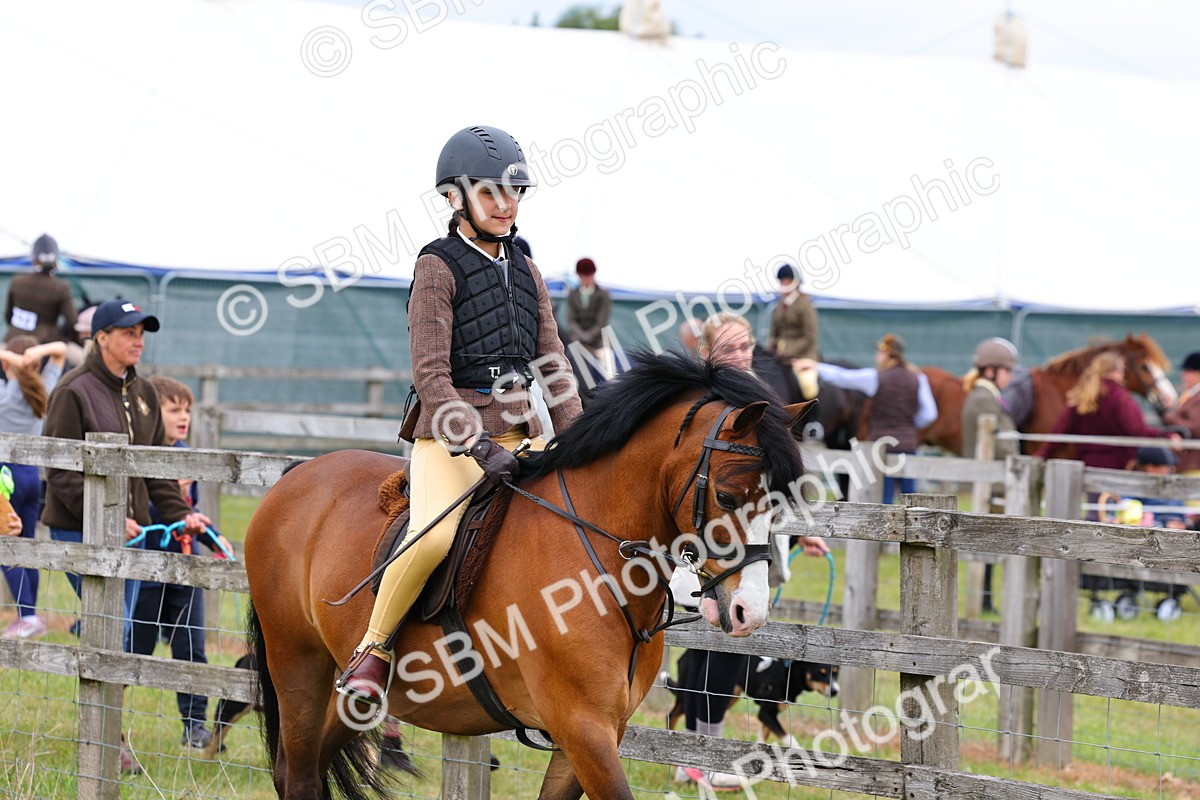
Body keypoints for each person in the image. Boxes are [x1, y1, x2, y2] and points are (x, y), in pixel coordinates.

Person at [337, 125, 583, 703]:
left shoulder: (525, 264)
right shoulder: (437, 267)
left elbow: (553, 360)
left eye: (514, 193)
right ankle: (371, 650)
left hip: (524, 435)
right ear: (455, 198)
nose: (506, 205)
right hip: (451, 442)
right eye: (491, 193)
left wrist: (579, 437)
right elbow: (431, 377)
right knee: (431, 539)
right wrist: (479, 447)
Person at [667, 311, 828, 791]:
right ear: (707, 352)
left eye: (745, 347)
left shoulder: (764, 401)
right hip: (710, 554)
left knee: (722, 656)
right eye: (729, 348)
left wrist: (800, 534)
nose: (740, 356)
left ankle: (693, 757)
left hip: (754, 548)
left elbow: (774, 481)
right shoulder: (702, 403)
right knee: (712, 657)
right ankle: (702, 758)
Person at [130, 376, 232, 749]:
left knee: (192, 647)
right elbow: (147, 511)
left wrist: (210, 537)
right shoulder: (145, 453)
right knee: (135, 645)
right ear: (154, 413)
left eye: (187, 410)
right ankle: (109, 717)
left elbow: (192, 513)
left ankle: (195, 726)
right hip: (147, 569)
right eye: (175, 410)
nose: (183, 417)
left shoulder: (188, 453)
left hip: (185, 566)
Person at [797, 333, 937, 504]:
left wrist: (815, 366)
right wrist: (909, 426)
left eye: (880, 352)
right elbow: (929, 414)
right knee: (911, 498)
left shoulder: (876, 378)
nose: (877, 356)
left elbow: (841, 377)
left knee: (884, 499)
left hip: (881, 446)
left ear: (889, 355)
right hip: (908, 445)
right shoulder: (918, 378)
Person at [0, 336, 66, 638]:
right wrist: (34, 355)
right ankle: (31, 615)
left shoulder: (6, 393)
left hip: (5, 477)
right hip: (31, 477)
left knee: (7, 548)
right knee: (26, 545)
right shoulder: (43, 388)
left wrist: (12, 359)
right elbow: (61, 352)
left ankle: (27, 617)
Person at [1036, 351, 1177, 470]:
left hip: (1087, 467)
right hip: (1117, 469)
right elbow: (1138, 431)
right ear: (1114, 372)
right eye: (1121, 370)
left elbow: (1059, 433)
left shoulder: (1080, 398)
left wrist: (1040, 456)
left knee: (1095, 504)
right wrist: (1166, 435)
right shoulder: (1122, 399)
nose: (1123, 375)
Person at [960, 337, 1019, 614]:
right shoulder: (984, 399)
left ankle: (986, 599)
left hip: (996, 481)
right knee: (988, 541)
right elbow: (1001, 444)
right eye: (1008, 370)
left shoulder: (989, 396)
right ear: (991, 370)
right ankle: (983, 600)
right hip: (992, 481)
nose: (1011, 376)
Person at [6, 234, 78, 345]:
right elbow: (73, 322)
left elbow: (8, 315)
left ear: (34, 258)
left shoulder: (17, 281)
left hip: (12, 341)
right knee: (80, 358)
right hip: (45, 344)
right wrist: (72, 341)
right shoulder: (60, 287)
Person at [768, 264, 819, 398]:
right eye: (782, 281)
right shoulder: (778, 306)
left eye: (787, 280)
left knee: (808, 385)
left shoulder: (805, 305)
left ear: (795, 282)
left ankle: (813, 418)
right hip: (779, 356)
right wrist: (771, 348)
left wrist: (789, 352)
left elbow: (809, 336)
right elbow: (774, 332)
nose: (784, 283)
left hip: (802, 355)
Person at [566, 257, 614, 386]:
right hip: (578, 340)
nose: (587, 279)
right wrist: (580, 335)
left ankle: (613, 390)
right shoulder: (572, 294)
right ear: (579, 276)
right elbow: (571, 319)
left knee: (609, 368)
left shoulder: (603, 295)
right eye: (583, 276)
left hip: (598, 341)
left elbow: (601, 321)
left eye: (589, 275)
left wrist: (589, 336)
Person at [1161, 351, 1200, 480]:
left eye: (1186, 371)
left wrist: (1167, 415)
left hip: (1194, 465)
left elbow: (1195, 427)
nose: (1183, 376)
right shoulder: (1189, 396)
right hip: (1186, 463)